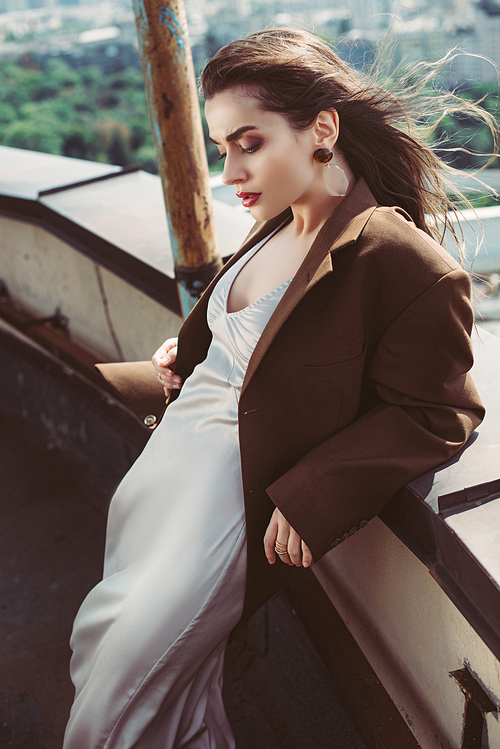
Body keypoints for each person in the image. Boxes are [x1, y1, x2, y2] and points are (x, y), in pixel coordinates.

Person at [63, 28, 492, 749]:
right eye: (221, 146)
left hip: (221, 513)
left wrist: (316, 489)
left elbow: (441, 410)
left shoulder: (397, 259)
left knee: (116, 710)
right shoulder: (276, 220)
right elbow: (261, 348)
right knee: (130, 679)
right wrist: (195, 354)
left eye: (248, 142)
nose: (229, 169)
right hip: (158, 493)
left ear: (322, 129)